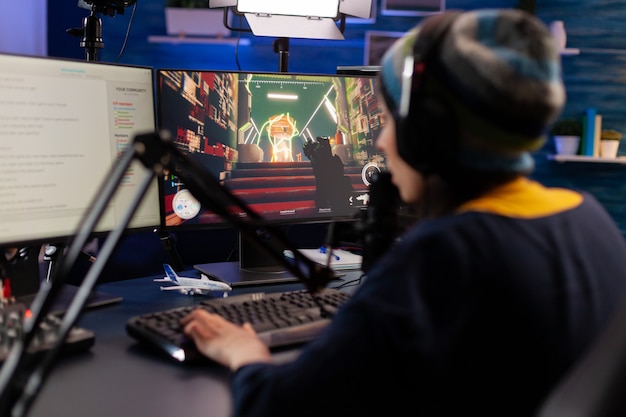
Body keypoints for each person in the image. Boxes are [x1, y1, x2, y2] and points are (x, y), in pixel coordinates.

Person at [180, 9, 626, 417]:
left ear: (428, 131)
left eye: (391, 120)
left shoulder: (444, 257)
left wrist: (244, 351)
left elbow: (276, 406)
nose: (381, 143)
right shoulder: (590, 220)